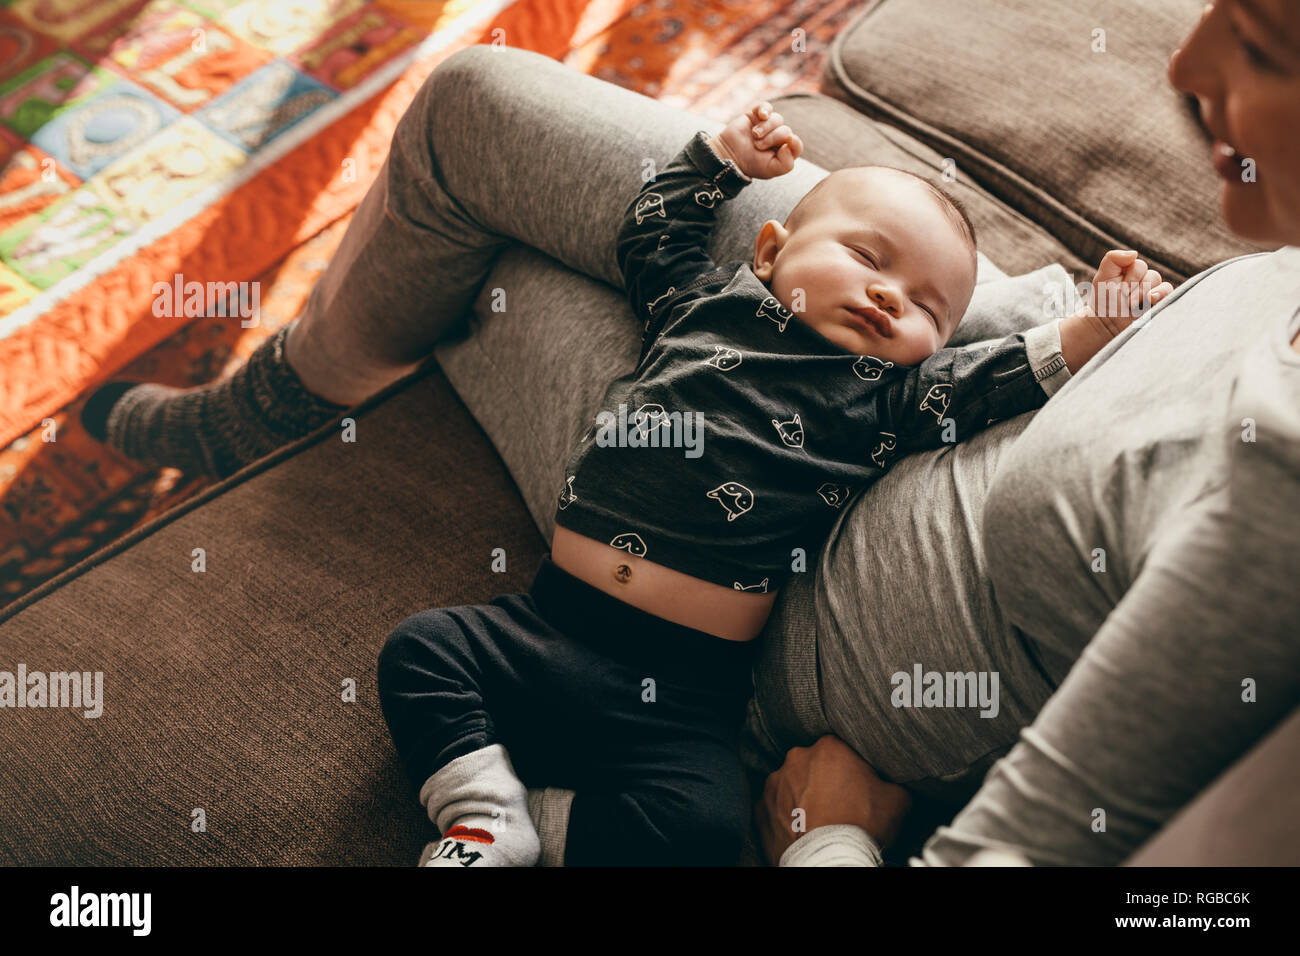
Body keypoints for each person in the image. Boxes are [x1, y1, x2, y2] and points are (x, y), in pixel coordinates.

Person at [79, 0, 1300, 867]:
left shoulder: (1274, 511)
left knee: (480, 247)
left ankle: (306, 397)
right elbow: (670, 248)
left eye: (1268, 41)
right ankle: (307, 386)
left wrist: (829, 840)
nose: (1183, 59)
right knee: (475, 102)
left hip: (817, 567)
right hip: (977, 321)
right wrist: (1032, 310)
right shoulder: (760, 290)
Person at [373, 100, 1169, 866]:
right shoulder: (702, 310)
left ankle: (536, 824)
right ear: (768, 254)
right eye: (866, 257)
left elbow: (991, 380)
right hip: (544, 626)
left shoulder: (887, 400)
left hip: (685, 691)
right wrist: (725, 160)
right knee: (422, 651)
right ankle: (483, 812)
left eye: (928, 307)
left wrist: (1094, 327)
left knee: (702, 833)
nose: (891, 295)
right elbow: (650, 234)